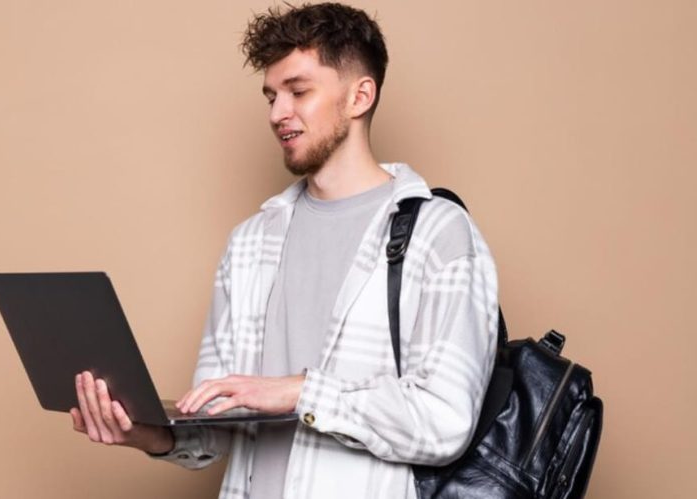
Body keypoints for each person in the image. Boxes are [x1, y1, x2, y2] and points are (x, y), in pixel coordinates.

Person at [69, 3, 500, 498]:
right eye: (271, 96)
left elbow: (445, 421)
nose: (277, 114)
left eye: (298, 92)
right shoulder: (250, 243)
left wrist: (299, 391)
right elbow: (221, 425)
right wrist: (145, 434)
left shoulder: (438, 233)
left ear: (360, 96)